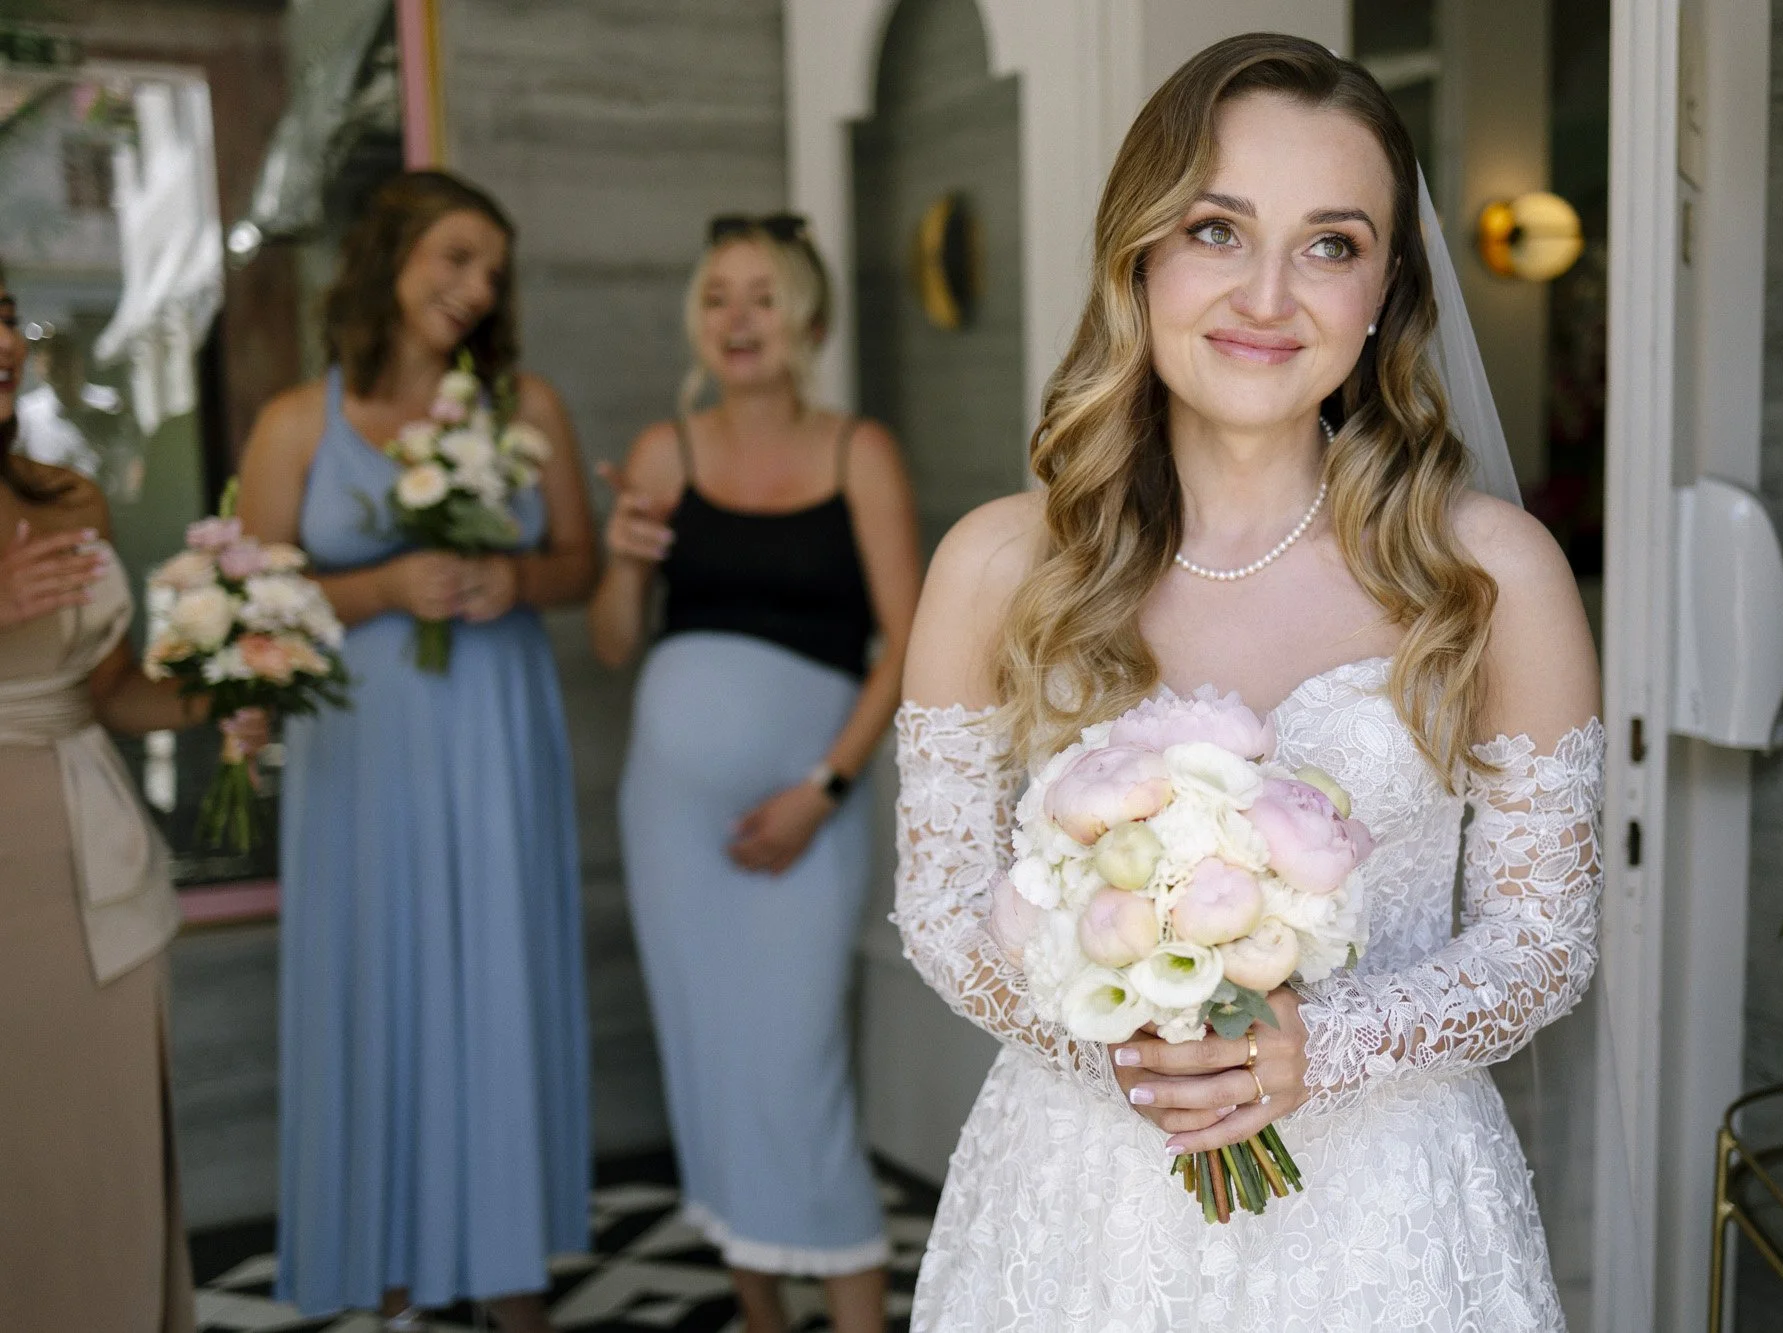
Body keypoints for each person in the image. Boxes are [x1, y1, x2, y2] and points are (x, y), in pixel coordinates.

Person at [894, 34, 1604, 1329]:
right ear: (1142, 253)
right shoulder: (1001, 564)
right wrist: (1130, 1043)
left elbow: (1542, 946)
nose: (1268, 294)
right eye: (1219, 230)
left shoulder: (1493, 575)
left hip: (1387, 1222)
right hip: (1084, 1212)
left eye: (1331, 244)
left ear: (1388, 285)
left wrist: (1314, 1048)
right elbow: (939, 913)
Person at [236, 171, 598, 1333]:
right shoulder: (298, 421)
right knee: (377, 986)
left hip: (494, 740)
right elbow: (254, 602)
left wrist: (512, 577)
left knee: (495, 982)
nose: (474, 287)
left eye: (491, 269)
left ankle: (505, 1269)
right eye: (453, 257)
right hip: (362, 758)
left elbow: (581, 569)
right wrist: (383, 585)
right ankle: (387, 1274)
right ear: (387, 257)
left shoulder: (524, 402)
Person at [589, 214, 921, 1333]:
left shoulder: (855, 452)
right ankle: (764, 1317)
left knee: (795, 1067)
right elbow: (609, 643)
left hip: (807, 811)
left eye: (763, 296)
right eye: (718, 296)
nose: (736, 319)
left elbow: (907, 641)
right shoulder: (660, 453)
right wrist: (626, 560)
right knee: (709, 1064)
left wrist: (820, 790)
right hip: (673, 827)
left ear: (808, 322)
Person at [0, 258, 252, 1330]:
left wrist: (227, 686)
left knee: (99, 1186)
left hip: (95, 890)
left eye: (4, 318)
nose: (2, 345)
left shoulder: (67, 499)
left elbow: (106, 694)